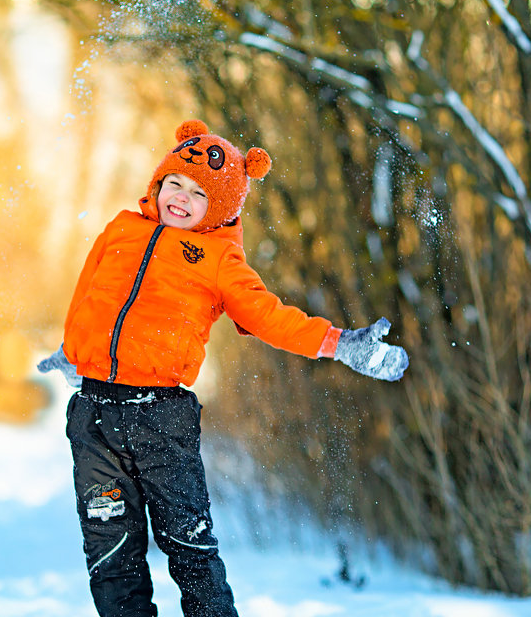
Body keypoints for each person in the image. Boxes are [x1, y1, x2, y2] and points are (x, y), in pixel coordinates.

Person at [37, 119, 408, 617]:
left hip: (161, 421)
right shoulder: (121, 228)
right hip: (94, 420)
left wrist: (338, 344)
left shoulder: (218, 259)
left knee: (190, 553)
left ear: (222, 207)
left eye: (198, 193)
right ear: (158, 183)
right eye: (175, 183)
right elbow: (91, 291)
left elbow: (268, 315)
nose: (181, 198)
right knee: (110, 557)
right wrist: (72, 350)